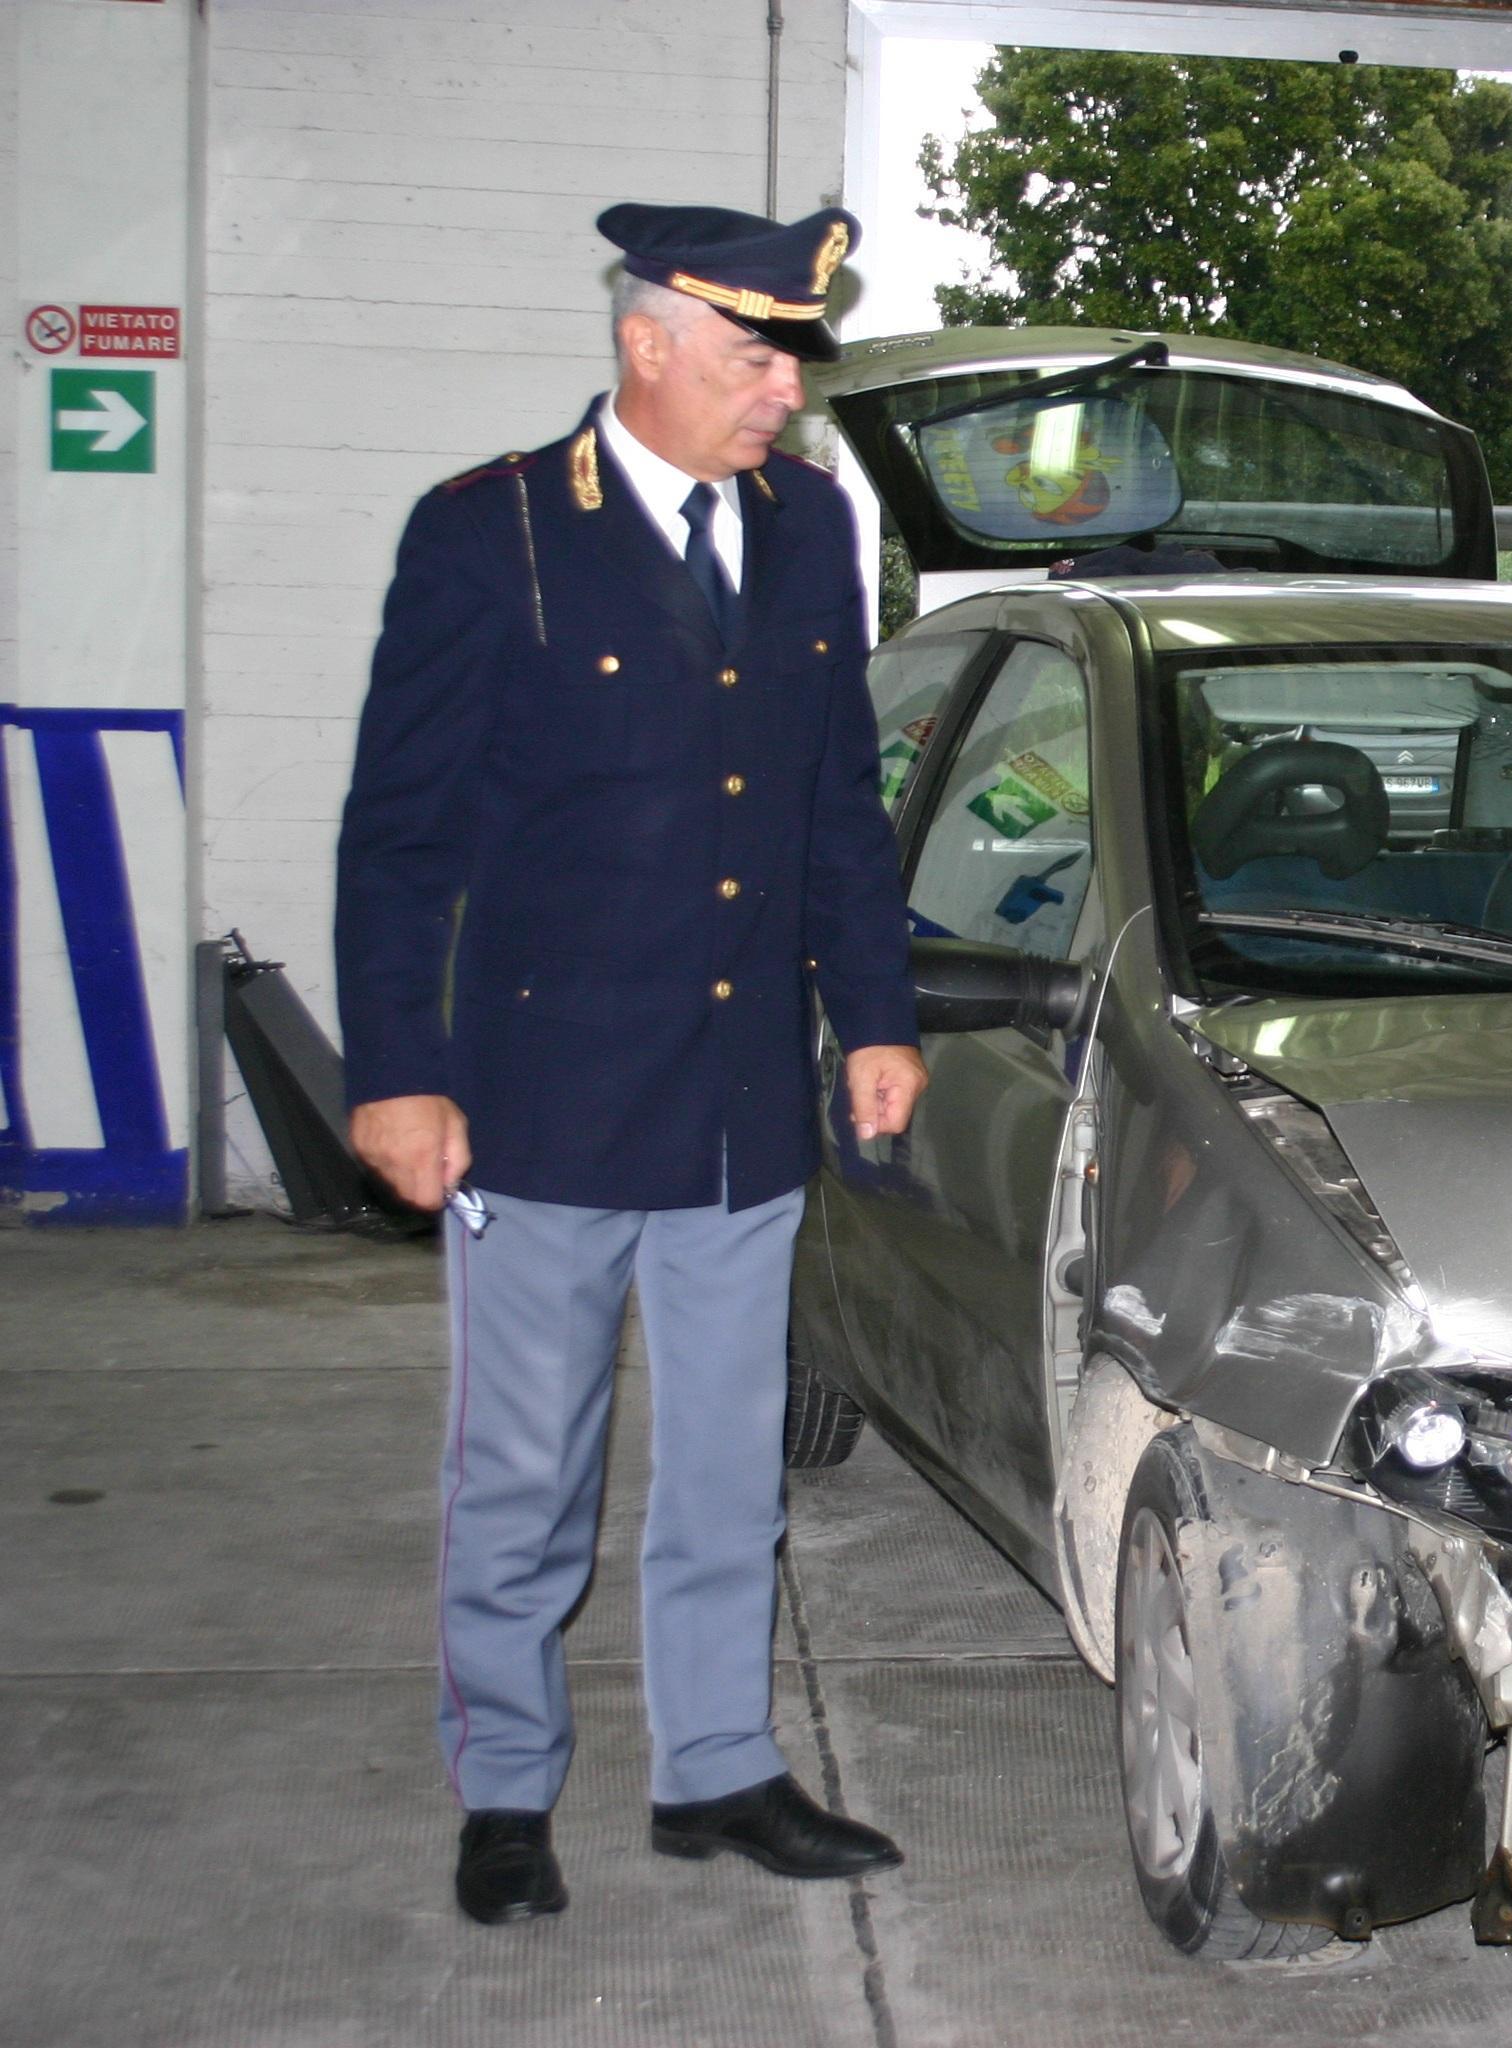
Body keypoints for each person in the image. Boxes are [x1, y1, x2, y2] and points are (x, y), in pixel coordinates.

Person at [334, 201, 928, 1927]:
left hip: (742, 1098)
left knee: (733, 1475)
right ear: (643, 343)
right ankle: (508, 1787)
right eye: (754, 362)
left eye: (791, 369)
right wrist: (396, 1069)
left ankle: (716, 1768)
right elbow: (404, 836)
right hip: (542, 1099)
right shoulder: (493, 534)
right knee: (525, 1476)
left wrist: (875, 1015)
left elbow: (835, 803)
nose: (781, 401)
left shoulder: (811, 527)